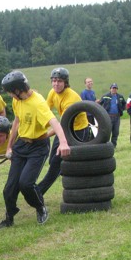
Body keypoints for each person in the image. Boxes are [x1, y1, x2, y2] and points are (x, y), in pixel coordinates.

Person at [0, 71, 70, 229]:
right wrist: (10, 145)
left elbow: (54, 122)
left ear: (18, 89)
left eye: (10, 92)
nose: (10, 95)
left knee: (26, 183)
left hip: (38, 146)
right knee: (9, 189)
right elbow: (16, 122)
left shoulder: (38, 102)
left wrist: (63, 142)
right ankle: (9, 217)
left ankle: (40, 207)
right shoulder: (17, 101)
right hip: (21, 145)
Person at [38, 67, 91, 195]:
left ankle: (39, 191)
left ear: (65, 82)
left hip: (77, 131)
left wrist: (43, 136)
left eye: (59, 81)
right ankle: (65, 174)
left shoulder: (71, 98)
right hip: (64, 129)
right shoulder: (52, 92)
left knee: (57, 162)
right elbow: (44, 112)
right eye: (54, 81)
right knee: (53, 160)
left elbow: (61, 124)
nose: (56, 84)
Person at [99, 83, 126, 147]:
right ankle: (107, 145)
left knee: (116, 131)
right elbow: (100, 104)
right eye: (113, 88)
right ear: (110, 89)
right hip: (108, 116)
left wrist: (121, 110)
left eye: (115, 88)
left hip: (117, 116)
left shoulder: (120, 97)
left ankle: (114, 145)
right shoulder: (105, 96)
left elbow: (124, 104)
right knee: (108, 131)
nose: (114, 89)